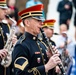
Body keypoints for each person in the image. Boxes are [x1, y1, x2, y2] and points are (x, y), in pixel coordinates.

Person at [12, 4, 61, 75]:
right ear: (27, 22)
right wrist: (46, 67)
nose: (42, 23)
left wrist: (53, 63)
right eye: (38, 20)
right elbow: (21, 73)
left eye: (41, 20)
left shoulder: (42, 44)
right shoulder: (21, 45)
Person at [0, 0, 11, 75]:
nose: (6, 11)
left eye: (6, 9)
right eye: (3, 9)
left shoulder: (6, 26)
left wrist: (13, 43)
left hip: (5, 68)